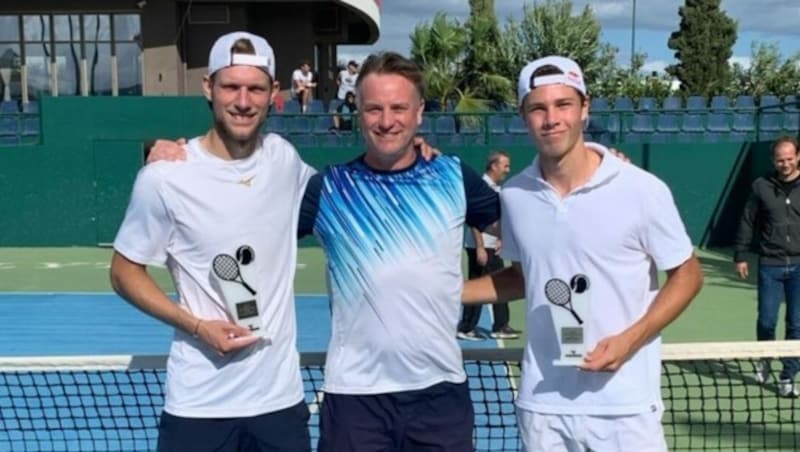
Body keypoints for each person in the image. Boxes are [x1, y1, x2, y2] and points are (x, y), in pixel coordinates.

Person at [462, 55, 703, 451]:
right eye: (538, 108)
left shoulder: (642, 190)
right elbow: (525, 276)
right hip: (543, 408)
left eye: (563, 105)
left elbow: (689, 274)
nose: (551, 118)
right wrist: (450, 290)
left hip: (624, 409)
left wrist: (630, 339)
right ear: (524, 117)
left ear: (584, 108)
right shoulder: (516, 196)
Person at [110, 31, 313, 451]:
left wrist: (415, 148)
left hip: (280, 403)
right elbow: (123, 272)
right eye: (231, 86)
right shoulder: (165, 178)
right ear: (209, 88)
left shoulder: (284, 159)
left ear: (273, 92)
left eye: (256, 88)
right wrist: (198, 326)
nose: (243, 101)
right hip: (200, 406)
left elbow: (352, 183)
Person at [298, 51, 500, 452]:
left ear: (420, 112)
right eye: (374, 108)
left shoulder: (453, 176)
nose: (386, 121)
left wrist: (600, 164)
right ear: (359, 111)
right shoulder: (328, 188)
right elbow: (249, 231)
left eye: (398, 108)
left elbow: (537, 231)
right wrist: (184, 158)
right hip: (355, 400)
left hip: (439, 397)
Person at [733, 136, 800, 398]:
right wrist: (740, 255)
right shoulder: (761, 186)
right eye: (780, 159)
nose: (785, 163)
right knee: (766, 320)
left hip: (799, 264)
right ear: (774, 160)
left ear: (798, 157)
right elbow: (747, 221)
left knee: (796, 324)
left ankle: (788, 375)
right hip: (769, 264)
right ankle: (764, 357)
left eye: (789, 158)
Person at [457, 149, 521, 341]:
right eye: (505, 165)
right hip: (482, 248)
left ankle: (500, 325)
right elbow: (474, 221)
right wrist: (480, 247)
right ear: (494, 166)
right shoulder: (482, 185)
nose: (508, 170)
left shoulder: (498, 189)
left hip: (493, 246)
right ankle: (466, 327)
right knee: (479, 285)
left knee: (499, 286)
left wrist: (502, 240)